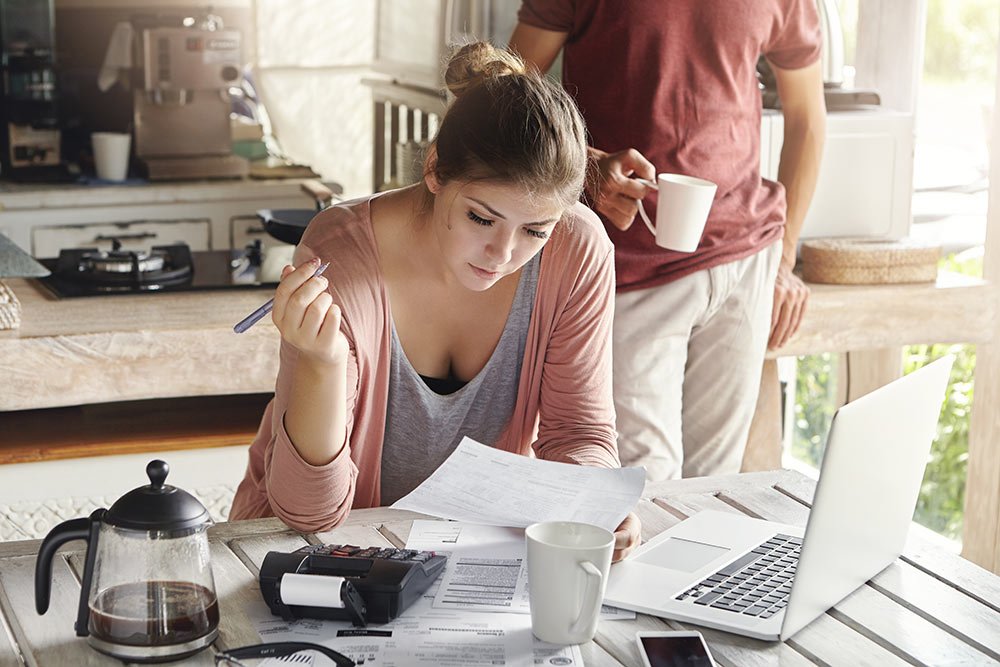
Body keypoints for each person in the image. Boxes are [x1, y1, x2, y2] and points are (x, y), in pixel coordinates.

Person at [230, 43, 640, 560]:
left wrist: (590, 500)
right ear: (435, 170)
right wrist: (321, 362)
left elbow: (577, 432)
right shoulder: (343, 253)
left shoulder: (576, 248)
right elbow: (307, 513)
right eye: (481, 218)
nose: (503, 253)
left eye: (535, 230)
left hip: (468, 558)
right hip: (315, 558)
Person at [510, 1, 826, 480]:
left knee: (714, 489)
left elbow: (807, 117)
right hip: (627, 266)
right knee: (641, 489)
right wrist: (585, 165)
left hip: (745, 259)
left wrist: (784, 259)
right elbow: (504, 94)